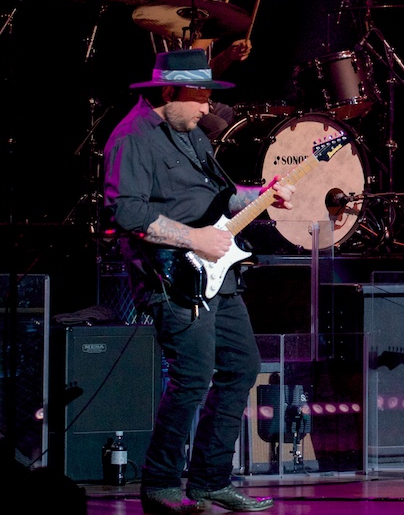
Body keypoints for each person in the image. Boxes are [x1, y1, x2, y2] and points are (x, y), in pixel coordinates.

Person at [102, 49, 294, 514]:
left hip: (217, 272)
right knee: (191, 378)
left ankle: (210, 482)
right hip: (173, 278)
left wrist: (262, 196)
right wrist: (194, 238)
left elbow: (220, 199)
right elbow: (126, 212)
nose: (208, 107)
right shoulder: (132, 138)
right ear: (168, 91)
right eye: (200, 96)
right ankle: (160, 485)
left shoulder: (191, 133)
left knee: (242, 367)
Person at [162, 0, 253, 139]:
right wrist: (211, 32)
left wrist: (228, 55)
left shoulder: (204, 21)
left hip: (202, 100)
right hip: (175, 104)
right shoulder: (168, 20)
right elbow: (181, 77)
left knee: (246, 121)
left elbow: (204, 76)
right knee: (219, 127)